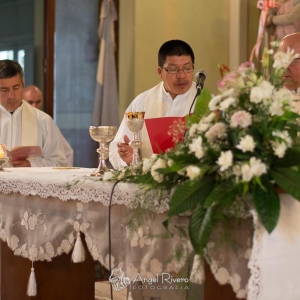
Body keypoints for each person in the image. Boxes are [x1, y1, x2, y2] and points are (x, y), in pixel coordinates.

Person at [109, 39, 198, 170]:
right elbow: (117, 147)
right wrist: (128, 158)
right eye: (173, 70)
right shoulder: (141, 102)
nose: (181, 75)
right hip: (148, 184)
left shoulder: (207, 103)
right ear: (160, 72)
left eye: (187, 68)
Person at [0, 59, 68, 167]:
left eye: (16, 88)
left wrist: (31, 164)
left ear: (23, 85)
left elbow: (60, 162)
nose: (11, 96)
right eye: (4, 90)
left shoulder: (43, 120)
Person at [23, 85, 74, 167]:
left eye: (38, 102)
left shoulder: (45, 121)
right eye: (30, 102)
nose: (34, 106)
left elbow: (67, 154)